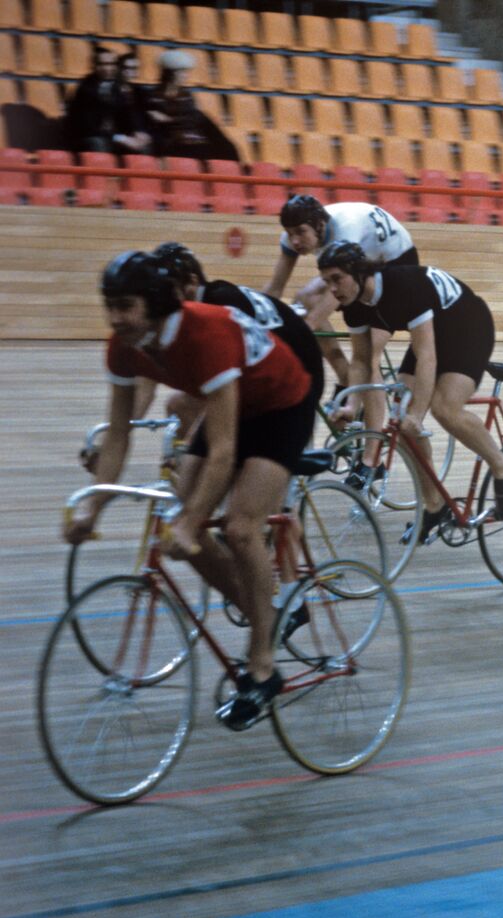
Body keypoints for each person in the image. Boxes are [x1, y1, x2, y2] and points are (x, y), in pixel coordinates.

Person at [66, 252, 318, 729]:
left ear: (154, 304)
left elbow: (222, 452)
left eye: (126, 306)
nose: (116, 318)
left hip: (283, 402)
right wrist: (93, 505)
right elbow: (118, 434)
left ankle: (263, 667)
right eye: (110, 306)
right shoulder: (124, 346)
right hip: (234, 404)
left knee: (240, 528)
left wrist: (192, 518)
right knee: (180, 528)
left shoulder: (204, 333)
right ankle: (261, 612)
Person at [317, 240, 503, 543]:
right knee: (402, 424)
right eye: (326, 282)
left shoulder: (402, 286)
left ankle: (502, 464)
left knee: (444, 408)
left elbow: (427, 357)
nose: (332, 289)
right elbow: (360, 361)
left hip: (468, 326)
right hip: (433, 334)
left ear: (358, 272)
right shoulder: (354, 306)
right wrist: (351, 404)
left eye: (337, 279)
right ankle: (435, 506)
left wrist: (417, 415)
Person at [150, 240, 325, 437]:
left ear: (192, 282)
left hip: (298, 377)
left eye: (170, 291)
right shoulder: (214, 297)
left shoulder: (218, 305)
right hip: (286, 367)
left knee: (196, 415)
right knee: (180, 406)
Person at [265, 195, 416, 391]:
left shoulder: (345, 229)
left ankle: (361, 395)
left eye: (301, 232)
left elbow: (336, 293)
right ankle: (346, 379)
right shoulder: (294, 236)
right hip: (362, 266)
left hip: (396, 263)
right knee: (306, 298)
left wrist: (305, 328)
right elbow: (275, 287)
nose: (294, 240)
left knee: (368, 355)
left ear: (320, 225)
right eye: (289, 233)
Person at [64, 44, 150, 154]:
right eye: (103, 64)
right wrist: (121, 138)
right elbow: (90, 127)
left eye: (111, 64)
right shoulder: (85, 89)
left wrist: (138, 131)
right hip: (89, 136)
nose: (108, 68)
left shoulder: (119, 86)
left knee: (144, 146)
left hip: (113, 136)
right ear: (94, 66)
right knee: (98, 143)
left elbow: (129, 112)